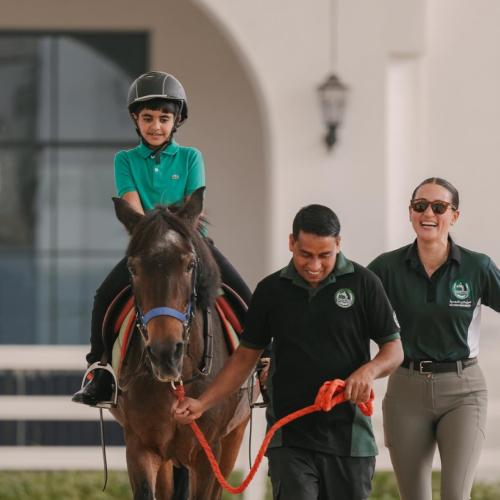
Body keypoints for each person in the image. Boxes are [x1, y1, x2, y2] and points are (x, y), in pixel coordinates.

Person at [173, 204, 403, 500]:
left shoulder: (365, 283)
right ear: (291, 242)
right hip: (289, 437)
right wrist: (202, 403)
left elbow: (394, 349)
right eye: (306, 254)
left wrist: (368, 371)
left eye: (325, 255)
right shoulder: (270, 290)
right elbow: (245, 357)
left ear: (338, 245)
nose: (315, 265)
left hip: (350, 439)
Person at [72, 71, 251, 406]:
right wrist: (149, 233)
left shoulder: (190, 157)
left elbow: (191, 207)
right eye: (148, 118)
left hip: (190, 242)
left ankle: (265, 365)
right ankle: (99, 371)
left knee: (244, 295)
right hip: (148, 245)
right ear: (135, 120)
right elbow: (131, 203)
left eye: (164, 119)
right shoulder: (124, 160)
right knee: (103, 297)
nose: (156, 126)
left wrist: (171, 231)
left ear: (177, 120)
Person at [367, 177, 500, 500]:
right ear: (410, 212)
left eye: (439, 207)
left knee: (455, 495)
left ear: (453, 216)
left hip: (463, 391)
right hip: (405, 388)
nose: (429, 213)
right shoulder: (386, 267)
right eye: (420, 205)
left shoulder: (477, 266)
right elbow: (348, 316)